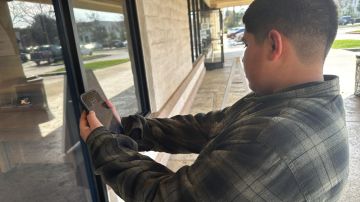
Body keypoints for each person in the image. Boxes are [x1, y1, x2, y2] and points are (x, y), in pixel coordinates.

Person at [79, 0, 349, 201]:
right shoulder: (303, 103)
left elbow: (167, 197)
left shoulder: (271, 139)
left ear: (273, 45)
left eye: (245, 44)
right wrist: (128, 129)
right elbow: (207, 127)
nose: (243, 57)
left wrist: (103, 146)